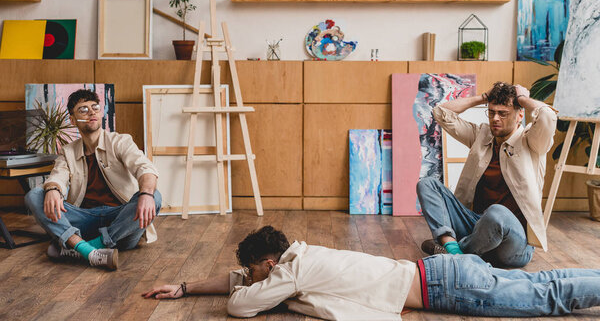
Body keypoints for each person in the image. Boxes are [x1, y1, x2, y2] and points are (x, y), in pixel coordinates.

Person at [142, 225, 600, 320]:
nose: (252, 280)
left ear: (269, 264)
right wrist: (185, 288)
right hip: (443, 270)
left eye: (254, 273)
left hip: (445, 285)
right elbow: (241, 282)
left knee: (549, 298)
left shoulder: (290, 274)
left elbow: (239, 306)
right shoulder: (301, 257)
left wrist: (262, 288)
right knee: (545, 283)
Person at [417, 82, 557, 268]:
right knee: (427, 184)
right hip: (477, 228)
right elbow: (440, 112)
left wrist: (522, 98)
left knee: (496, 212)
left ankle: (454, 254)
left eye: (503, 113)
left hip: (514, 243)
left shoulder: (532, 141)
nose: (495, 119)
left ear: (519, 115)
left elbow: (547, 116)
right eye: (491, 112)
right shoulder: (481, 135)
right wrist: (483, 97)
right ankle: (454, 249)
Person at [24, 89, 162, 270]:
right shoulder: (68, 151)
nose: (91, 112)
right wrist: (52, 189)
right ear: (73, 120)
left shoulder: (120, 141)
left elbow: (145, 168)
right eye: (83, 109)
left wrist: (145, 194)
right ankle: (84, 247)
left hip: (120, 222)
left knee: (155, 196)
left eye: (95, 107)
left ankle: (86, 248)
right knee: (35, 195)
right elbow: (58, 176)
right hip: (85, 220)